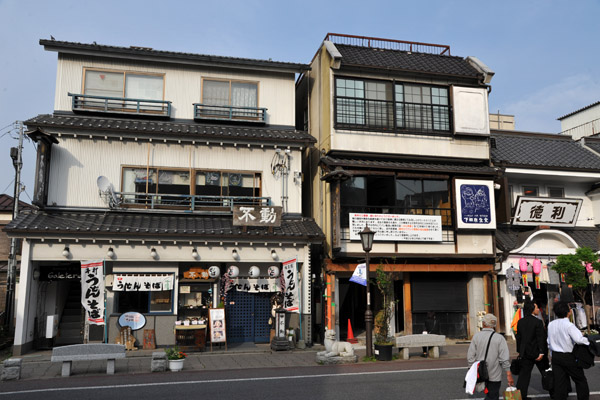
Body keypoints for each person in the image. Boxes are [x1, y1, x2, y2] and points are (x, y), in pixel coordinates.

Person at [547, 301, 590, 400]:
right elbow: (579, 339)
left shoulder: (551, 324)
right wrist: (589, 340)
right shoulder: (569, 325)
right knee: (580, 380)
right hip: (568, 356)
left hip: (556, 356)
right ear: (568, 312)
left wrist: (551, 354)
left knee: (560, 383)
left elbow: (548, 341)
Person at [467, 313, 514, 399]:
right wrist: (508, 374)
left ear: (483, 323)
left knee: (490, 396)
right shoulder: (500, 338)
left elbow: (470, 355)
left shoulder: (476, 336)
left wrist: (471, 369)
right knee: (493, 395)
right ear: (494, 325)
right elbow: (504, 358)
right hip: (495, 373)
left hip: (480, 371)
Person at [516, 300, 549, 400]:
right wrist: (542, 352)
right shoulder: (537, 322)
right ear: (532, 309)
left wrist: (520, 351)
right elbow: (541, 338)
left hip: (525, 353)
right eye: (536, 308)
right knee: (546, 373)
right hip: (537, 353)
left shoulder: (520, 322)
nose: (538, 309)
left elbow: (519, 338)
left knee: (523, 377)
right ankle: (555, 392)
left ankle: (521, 397)